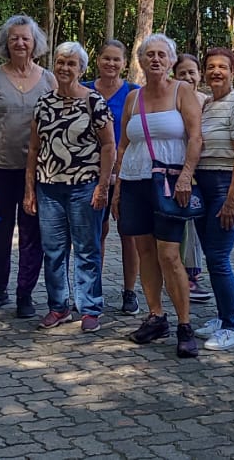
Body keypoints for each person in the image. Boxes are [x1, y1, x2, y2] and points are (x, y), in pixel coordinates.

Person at [116, 34, 205, 358]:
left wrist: (186, 176)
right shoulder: (132, 98)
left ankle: (184, 325)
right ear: (140, 61)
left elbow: (196, 138)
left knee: (169, 254)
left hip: (169, 183)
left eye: (161, 55)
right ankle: (156, 316)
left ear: (171, 60)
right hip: (135, 181)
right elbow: (124, 144)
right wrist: (116, 187)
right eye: (149, 55)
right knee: (144, 251)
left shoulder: (183, 92)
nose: (155, 60)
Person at [22, 41, 113, 332]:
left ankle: (90, 309)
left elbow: (109, 145)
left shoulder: (93, 101)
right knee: (53, 250)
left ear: (81, 69)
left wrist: (103, 186)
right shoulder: (44, 102)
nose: (65, 68)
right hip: (48, 187)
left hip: (84, 187)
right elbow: (34, 149)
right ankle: (58, 307)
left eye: (71, 63)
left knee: (87, 250)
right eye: (61, 62)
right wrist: (29, 190)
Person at [0, 15, 55, 319]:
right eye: (14, 38)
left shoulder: (48, 78)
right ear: (5, 43)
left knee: (32, 233)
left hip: (36, 171)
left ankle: (25, 293)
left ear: (35, 44)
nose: (20, 43)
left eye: (26, 38)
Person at [189, 47, 234, 351]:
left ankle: (232, 326)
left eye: (222, 67)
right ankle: (220, 316)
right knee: (211, 256)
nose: (216, 72)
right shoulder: (206, 106)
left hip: (226, 186)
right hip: (203, 183)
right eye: (211, 66)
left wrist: (232, 200)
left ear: (233, 71)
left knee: (218, 258)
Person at [85, 39, 140, 314]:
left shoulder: (133, 92)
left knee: (128, 233)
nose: (111, 64)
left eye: (116, 59)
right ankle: (93, 289)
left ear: (125, 63)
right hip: (89, 173)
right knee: (97, 233)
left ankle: (129, 292)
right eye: (106, 58)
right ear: (97, 60)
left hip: (126, 174)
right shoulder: (83, 90)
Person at [171, 52, 211, 303]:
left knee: (196, 226)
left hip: (204, 170)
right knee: (184, 224)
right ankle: (184, 276)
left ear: (200, 75)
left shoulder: (207, 101)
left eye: (191, 72)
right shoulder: (172, 100)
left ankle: (192, 274)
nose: (187, 77)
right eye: (182, 73)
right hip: (179, 169)